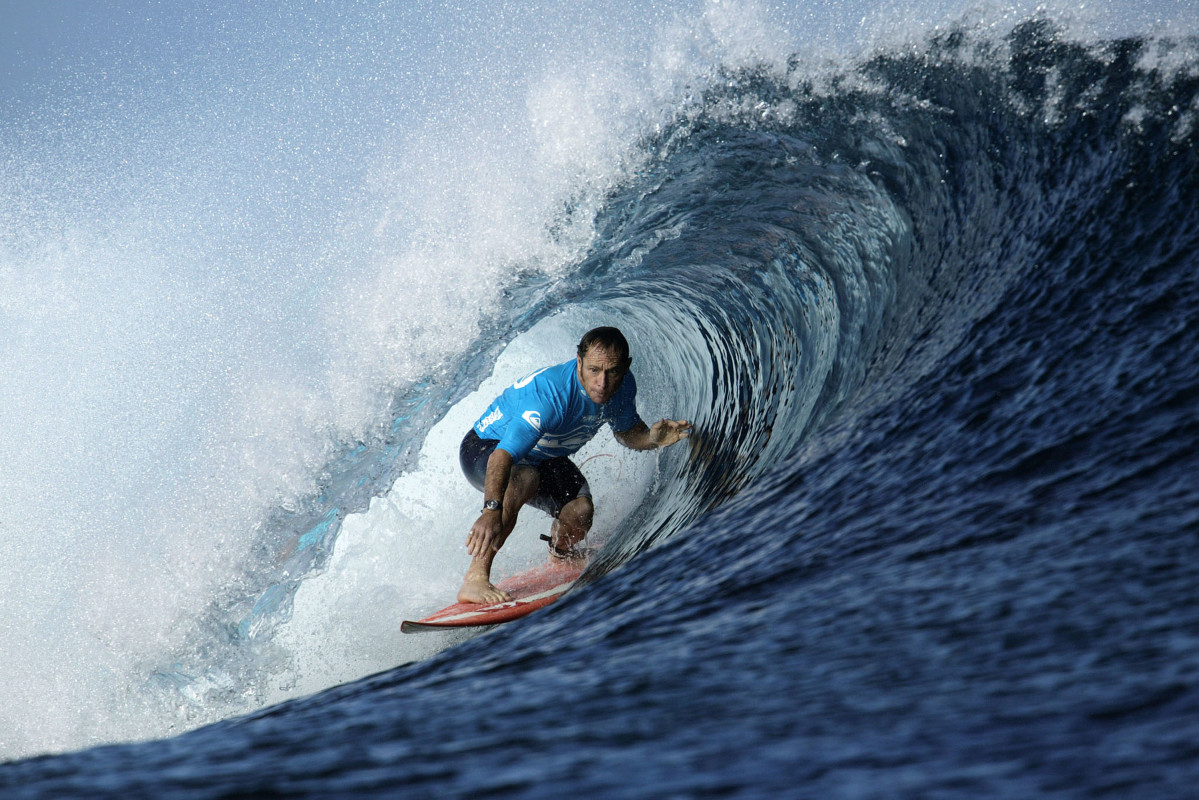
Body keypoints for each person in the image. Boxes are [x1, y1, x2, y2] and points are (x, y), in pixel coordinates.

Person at [457, 326, 692, 604]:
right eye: (594, 370)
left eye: (612, 372)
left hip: (541, 456)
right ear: (578, 362)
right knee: (525, 478)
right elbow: (503, 456)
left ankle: (560, 556)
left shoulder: (623, 386)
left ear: (625, 367)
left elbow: (627, 432)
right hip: (486, 448)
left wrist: (652, 438)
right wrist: (491, 510)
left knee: (580, 511)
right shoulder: (550, 397)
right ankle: (475, 579)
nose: (602, 383)